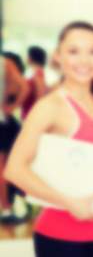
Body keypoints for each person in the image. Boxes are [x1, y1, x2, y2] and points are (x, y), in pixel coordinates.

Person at [4, 21, 93, 257]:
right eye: (73, 51)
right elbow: (14, 169)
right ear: (58, 56)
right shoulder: (51, 106)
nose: (84, 60)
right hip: (60, 236)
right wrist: (70, 202)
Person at [0, 54, 28, 224]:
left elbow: (24, 88)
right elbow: (23, 87)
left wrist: (11, 106)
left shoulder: (5, 63)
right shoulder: (5, 63)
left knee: (5, 167)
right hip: (5, 122)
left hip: (3, 122)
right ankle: (9, 207)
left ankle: (7, 208)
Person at [21, 46, 48, 120]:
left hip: (32, 116)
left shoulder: (38, 75)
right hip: (29, 114)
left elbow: (39, 99)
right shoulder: (37, 74)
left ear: (30, 57)